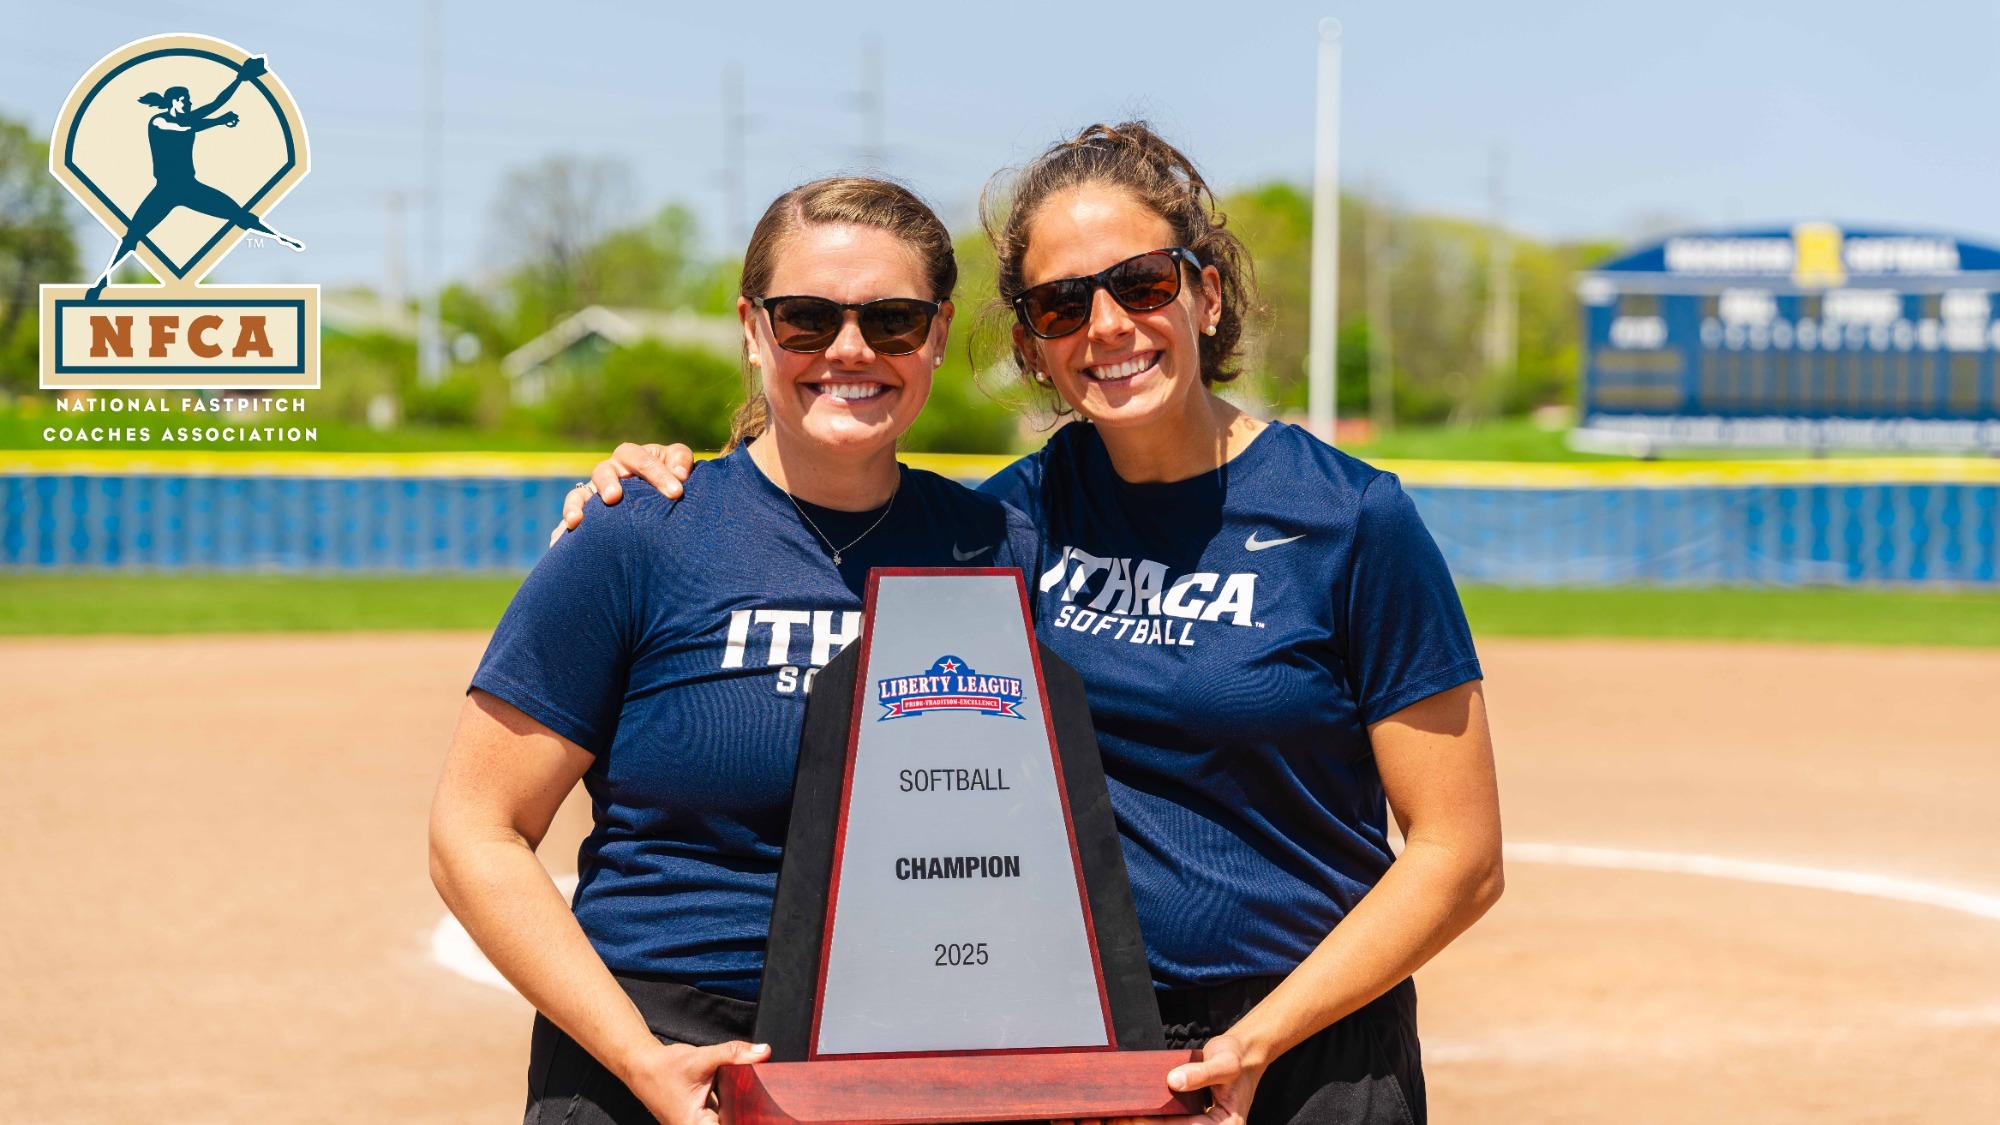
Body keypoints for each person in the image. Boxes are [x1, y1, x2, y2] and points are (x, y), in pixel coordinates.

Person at [563, 123, 1503, 1125]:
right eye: (1060, 303)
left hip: (1306, 1054)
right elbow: (804, 488)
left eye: (1142, 284)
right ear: (1026, 340)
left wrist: (1254, 1043)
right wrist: (663, 479)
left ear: (1205, 293)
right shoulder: (1001, 525)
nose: (1106, 325)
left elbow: (1460, 854)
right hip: (1076, 1062)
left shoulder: (1349, 518)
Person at [428, 177, 1039, 1125]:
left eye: (892, 320)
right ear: (753, 328)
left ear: (936, 333)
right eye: (807, 318)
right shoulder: (643, 532)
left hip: (908, 1059)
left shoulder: (999, 546)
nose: (849, 349)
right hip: (658, 1056)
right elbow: (475, 829)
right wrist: (641, 1060)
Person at [85, 54, 304, 301]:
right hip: (165, 190)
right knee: (133, 235)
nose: (189, 104)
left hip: (189, 187)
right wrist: (220, 121)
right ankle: (103, 280)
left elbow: (215, 103)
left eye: (189, 100)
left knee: (237, 213)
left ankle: (280, 238)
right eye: (185, 100)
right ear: (173, 102)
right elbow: (185, 128)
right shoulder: (158, 121)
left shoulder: (187, 118)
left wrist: (240, 79)